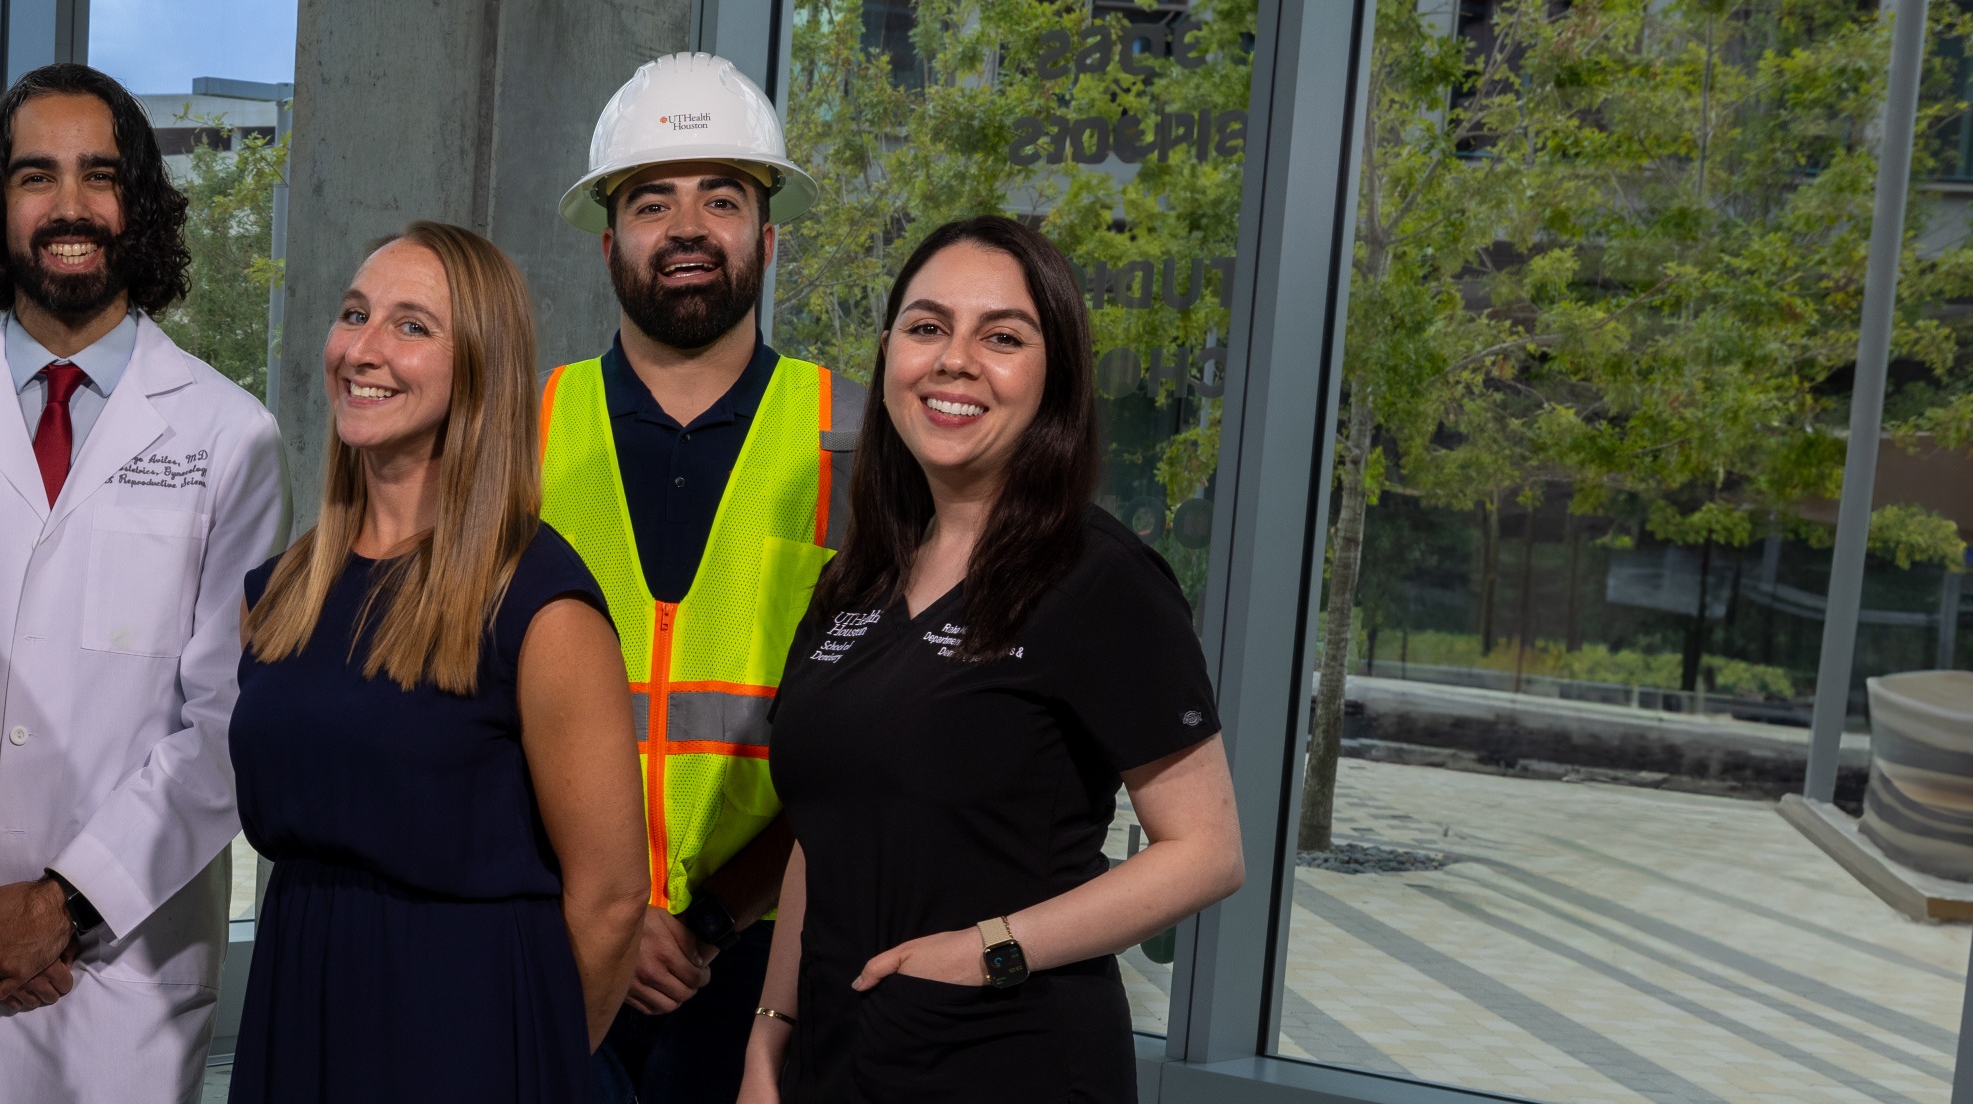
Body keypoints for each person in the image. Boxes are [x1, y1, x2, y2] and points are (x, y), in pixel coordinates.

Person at [0, 61, 284, 1104]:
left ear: (138, 204)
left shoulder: (232, 440)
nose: (70, 206)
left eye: (100, 175)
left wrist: (66, 903)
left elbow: (227, 722)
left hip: (118, 972)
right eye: (36, 177)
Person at [739, 217, 1245, 1103]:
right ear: (889, 352)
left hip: (1009, 1057)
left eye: (1002, 337)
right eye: (927, 327)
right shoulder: (857, 580)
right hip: (833, 1056)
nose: (955, 360)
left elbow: (1205, 852)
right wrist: (769, 1034)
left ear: (1055, 380)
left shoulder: (1101, 579)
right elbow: (824, 830)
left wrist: (987, 951)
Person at [225, 221, 651, 1103]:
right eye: (354, 314)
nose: (363, 349)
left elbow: (612, 901)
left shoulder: (539, 604)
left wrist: (534, 1060)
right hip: (297, 1006)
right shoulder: (279, 594)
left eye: (412, 326)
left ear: (481, 369)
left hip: (471, 1033)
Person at [536, 52, 836, 1104]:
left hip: (771, 956)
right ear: (609, 239)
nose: (688, 227)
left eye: (724, 197)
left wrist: (709, 921)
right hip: (549, 938)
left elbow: (872, 732)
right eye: (651, 201)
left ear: (767, 233)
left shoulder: (852, 446)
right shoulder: (519, 438)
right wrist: (605, 909)